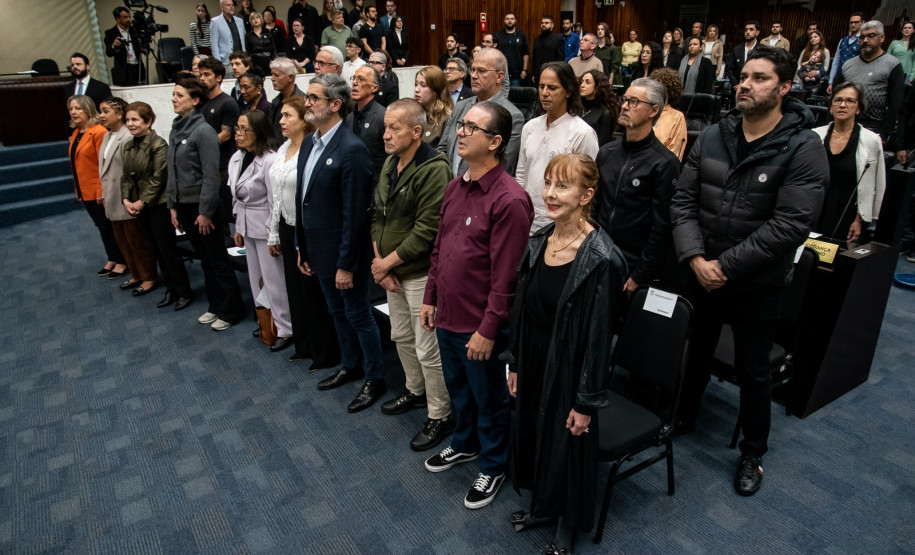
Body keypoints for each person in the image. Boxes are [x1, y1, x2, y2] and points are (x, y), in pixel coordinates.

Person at [670, 46, 826, 497]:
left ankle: (753, 451)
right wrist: (697, 259)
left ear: (784, 87)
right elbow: (683, 201)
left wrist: (724, 266)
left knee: (753, 369)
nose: (745, 83)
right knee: (696, 350)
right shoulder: (716, 133)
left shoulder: (803, 146)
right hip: (703, 272)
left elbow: (790, 226)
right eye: (743, 76)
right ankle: (684, 416)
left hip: (756, 283)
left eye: (759, 77)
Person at [508, 153, 626, 555]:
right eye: (548, 183)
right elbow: (522, 310)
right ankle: (543, 506)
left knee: (568, 446)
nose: (551, 194)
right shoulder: (539, 240)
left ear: (586, 195)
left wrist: (586, 401)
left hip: (574, 365)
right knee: (535, 434)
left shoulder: (602, 258)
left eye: (563, 186)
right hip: (536, 355)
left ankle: (566, 528)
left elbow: (599, 338)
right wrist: (515, 362)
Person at [420, 101, 534, 510]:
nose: (461, 131)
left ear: (496, 141)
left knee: (489, 398)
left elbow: (507, 279)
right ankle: (465, 445)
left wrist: (488, 329)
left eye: (471, 127)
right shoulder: (456, 184)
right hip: (448, 313)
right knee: (460, 391)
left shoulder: (510, 200)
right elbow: (440, 248)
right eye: (461, 125)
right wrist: (430, 295)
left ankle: (493, 464)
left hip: (481, 325)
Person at [296, 73, 387, 412]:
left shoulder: (352, 150)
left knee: (357, 314)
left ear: (335, 105)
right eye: (307, 96)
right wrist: (302, 248)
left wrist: (346, 264)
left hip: (345, 255)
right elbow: (302, 201)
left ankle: (375, 378)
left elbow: (355, 215)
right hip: (317, 250)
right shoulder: (309, 142)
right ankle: (351, 365)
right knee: (336, 311)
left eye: (314, 98)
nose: (307, 102)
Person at [371, 99, 454, 450]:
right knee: (401, 337)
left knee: (426, 348)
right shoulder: (391, 162)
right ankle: (414, 391)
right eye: (385, 127)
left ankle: (440, 415)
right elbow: (377, 214)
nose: (385, 134)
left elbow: (428, 230)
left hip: (419, 273)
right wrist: (380, 262)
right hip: (390, 270)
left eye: (394, 128)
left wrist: (386, 263)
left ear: (416, 132)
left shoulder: (435, 168)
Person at [167, 77, 246, 331]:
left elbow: (211, 177)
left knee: (217, 260)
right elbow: (173, 170)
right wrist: (173, 205)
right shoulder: (177, 127)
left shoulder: (204, 132)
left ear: (195, 100)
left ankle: (231, 310)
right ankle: (215, 306)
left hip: (205, 208)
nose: (174, 99)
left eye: (180, 95)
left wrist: (205, 212)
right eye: (174, 94)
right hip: (185, 204)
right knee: (205, 260)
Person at [267, 96, 340, 366]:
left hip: (307, 228)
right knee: (294, 289)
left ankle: (324, 352)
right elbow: (276, 195)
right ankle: (304, 344)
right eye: (281, 116)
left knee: (312, 293)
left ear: (303, 122)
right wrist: (274, 232)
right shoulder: (283, 147)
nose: (281, 121)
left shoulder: (309, 150)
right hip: (286, 225)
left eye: (288, 116)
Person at [594, 77, 680, 297]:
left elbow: (661, 228)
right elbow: (594, 207)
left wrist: (640, 275)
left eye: (634, 102)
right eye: (624, 99)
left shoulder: (664, 162)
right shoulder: (607, 152)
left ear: (653, 110)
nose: (624, 106)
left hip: (632, 267)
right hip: (598, 256)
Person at [228, 109, 292, 351]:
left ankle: (286, 328)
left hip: (266, 226)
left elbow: (275, 201)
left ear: (259, 131)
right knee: (256, 280)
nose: (239, 134)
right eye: (237, 129)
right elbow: (235, 195)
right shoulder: (236, 157)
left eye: (245, 129)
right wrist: (238, 228)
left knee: (274, 281)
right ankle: (268, 322)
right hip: (246, 224)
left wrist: (273, 234)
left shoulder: (270, 159)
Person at [122, 102, 194, 311]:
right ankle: (170, 289)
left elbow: (158, 179)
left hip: (159, 205)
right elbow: (126, 176)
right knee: (155, 249)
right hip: (140, 206)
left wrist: (141, 201)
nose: (130, 124)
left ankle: (183, 291)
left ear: (149, 121)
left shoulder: (159, 144)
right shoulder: (128, 145)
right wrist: (126, 199)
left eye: (135, 119)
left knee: (168, 250)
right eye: (128, 120)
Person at [517, 61, 599, 232]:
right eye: (541, 86)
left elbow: (586, 186)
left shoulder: (582, 133)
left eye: (552, 88)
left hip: (562, 225)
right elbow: (522, 174)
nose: (544, 93)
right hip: (527, 219)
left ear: (568, 91)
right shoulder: (530, 127)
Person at [812, 82, 886, 242]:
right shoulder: (814, 136)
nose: (842, 105)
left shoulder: (871, 140)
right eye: (837, 100)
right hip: (814, 208)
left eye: (850, 101)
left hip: (849, 213)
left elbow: (875, 185)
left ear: (859, 108)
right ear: (831, 107)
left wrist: (860, 220)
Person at [99, 97, 156, 295]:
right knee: (122, 240)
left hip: (128, 198)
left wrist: (130, 198)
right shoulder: (107, 136)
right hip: (113, 196)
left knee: (136, 240)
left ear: (119, 114)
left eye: (106, 111)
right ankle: (136, 273)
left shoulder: (128, 137)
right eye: (101, 111)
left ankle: (148, 276)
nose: (102, 116)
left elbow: (132, 172)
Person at [438, 48, 525, 176]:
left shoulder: (512, 116)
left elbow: (499, 167)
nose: (473, 75)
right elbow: (442, 149)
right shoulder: (461, 106)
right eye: (472, 70)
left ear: (499, 76)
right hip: (450, 189)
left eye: (481, 71)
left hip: (483, 191)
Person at [68, 95, 125, 278]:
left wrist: (101, 191)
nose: (74, 112)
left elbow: (105, 164)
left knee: (109, 226)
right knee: (101, 226)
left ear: (87, 109)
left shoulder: (98, 131)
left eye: (78, 108)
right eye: (71, 109)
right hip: (84, 189)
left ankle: (122, 260)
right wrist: (78, 189)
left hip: (99, 189)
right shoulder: (77, 133)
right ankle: (112, 257)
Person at [834, 21, 906, 143]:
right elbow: (834, 97)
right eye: (862, 37)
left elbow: (896, 103)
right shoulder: (848, 65)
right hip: (844, 124)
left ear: (882, 37)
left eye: (871, 36)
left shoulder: (892, 65)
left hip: (874, 127)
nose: (866, 40)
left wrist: (884, 134)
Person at [197, 57, 240, 222]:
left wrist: (200, 146)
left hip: (223, 165)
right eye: (200, 74)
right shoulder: (200, 103)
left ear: (219, 77)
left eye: (207, 74)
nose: (202, 78)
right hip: (205, 165)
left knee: (227, 212)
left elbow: (226, 134)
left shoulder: (227, 103)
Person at [346, 64, 388, 185]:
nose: (354, 82)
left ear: (374, 88)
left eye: (361, 79)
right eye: (353, 78)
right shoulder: (350, 117)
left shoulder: (383, 116)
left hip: (375, 186)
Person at [649, 68, 689, 160]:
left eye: (661, 86)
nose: (656, 90)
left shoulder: (677, 117)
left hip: (660, 167)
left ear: (671, 90)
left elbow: (675, 154)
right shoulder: (644, 109)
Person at [414, 65, 453, 144]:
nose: (416, 89)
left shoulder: (447, 119)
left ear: (436, 89)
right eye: (416, 84)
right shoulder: (413, 115)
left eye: (423, 85)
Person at [579, 69, 618, 147]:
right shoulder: (575, 106)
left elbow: (601, 144)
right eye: (582, 81)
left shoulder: (604, 113)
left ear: (597, 86)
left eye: (587, 82)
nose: (582, 85)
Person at [827, 12, 864, 95]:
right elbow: (836, 62)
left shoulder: (863, 41)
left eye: (856, 22)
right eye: (851, 22)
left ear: (862, 22)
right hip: (839, 78)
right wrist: (831, 81)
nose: (853, 25)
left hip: (854, 80)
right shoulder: (842, 41)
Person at [104, 7, 142, 86]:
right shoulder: (111, 33)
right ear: (117, 18)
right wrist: (113, 45)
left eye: (129, 16)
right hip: (124, 69)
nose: (128, 19)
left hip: (138, 67)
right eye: (125, 17)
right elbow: (108, 53)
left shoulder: (134, 30)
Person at [268, 57, 304, 136]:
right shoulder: (275, 102)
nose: (272, 78)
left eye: (276, 75)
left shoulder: (303, 102)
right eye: (272, 74)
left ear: (290, 78)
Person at [495, 13, 530, 86]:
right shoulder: (498, 35)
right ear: (504, 21)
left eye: (512, 19)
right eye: (507, 19)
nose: (510, 21)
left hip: (517, 74)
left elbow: (526, 53)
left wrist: (525, 70)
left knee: (515, 96)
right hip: (502, 73)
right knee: (502, 96)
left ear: (515, 21)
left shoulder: (521, 34)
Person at [209, 0, 246, 65]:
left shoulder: (240, 21)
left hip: (241, 59)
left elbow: (244, 40)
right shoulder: (215, 22)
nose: (231, 7)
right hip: (225, 61)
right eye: (228, 5)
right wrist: (218, 62)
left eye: (232, 5)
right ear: (222, 7)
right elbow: (214, 45)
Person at [726, 21, 760, 89]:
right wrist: (736, 84)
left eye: (751, 29)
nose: (747, 32)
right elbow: (729, 69)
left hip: (755, 88)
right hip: (738, 87)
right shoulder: (737, 49)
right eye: (746, 29)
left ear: (757, 32)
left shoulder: (762, 49)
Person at [532, 16, 565, 84]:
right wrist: (533, 74)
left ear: (552, 25)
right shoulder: (537, 39)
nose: (543, 25)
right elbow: (534, 58)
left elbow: (561, 59)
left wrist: (558, 75)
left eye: (546, 23)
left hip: (552, 75)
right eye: (542, 23)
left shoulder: (558, 39)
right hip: (538, 75)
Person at [245, 11, 276, 75]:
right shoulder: (249, 35)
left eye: (257, 18)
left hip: (268, 61)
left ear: (261, 19)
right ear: (251, 21)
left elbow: (273, 48)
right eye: (253, 19)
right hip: (255, 62)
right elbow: (247, 51)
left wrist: (273, 61)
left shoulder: (267, 32)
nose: (255, 20)